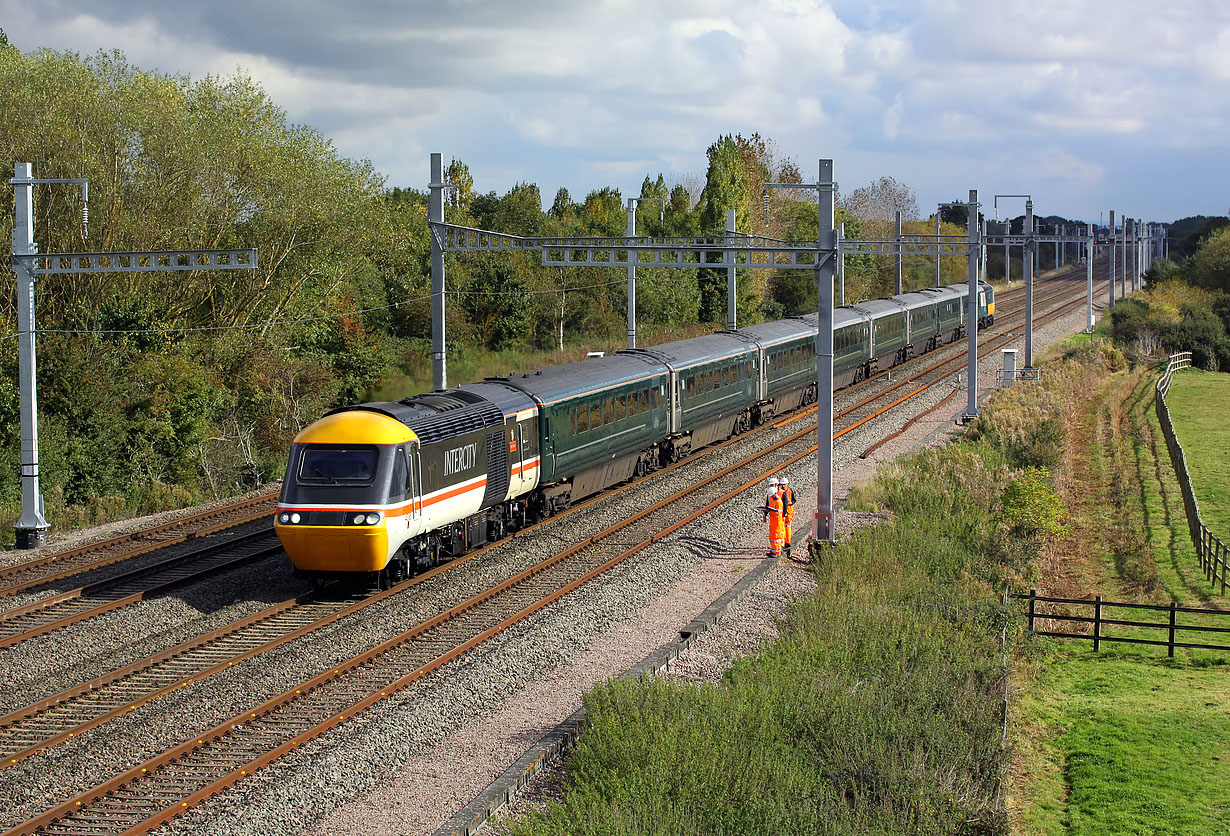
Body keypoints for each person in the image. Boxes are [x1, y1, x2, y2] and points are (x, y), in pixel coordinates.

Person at [762, 476, 786, 557]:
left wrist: (770, 511)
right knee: (772, 537)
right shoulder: (773, 500)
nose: (771, 497)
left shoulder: (779, 502)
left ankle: (777, 552)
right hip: (773, 522)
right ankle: (773, 550)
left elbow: (779, 513)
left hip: (777, 523)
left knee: (777, 537)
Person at [779, 476, 796, 558]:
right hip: (782, 512)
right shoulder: (780, 492)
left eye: (784, 484)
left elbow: (794, 500)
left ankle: (787, 541)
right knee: (782, 528)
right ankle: (782, 542)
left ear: (787, 484)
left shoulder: (790, 491)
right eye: (781, 484)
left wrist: (790, 503)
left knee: (787, 527)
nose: (782, 486)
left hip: (789, 512)